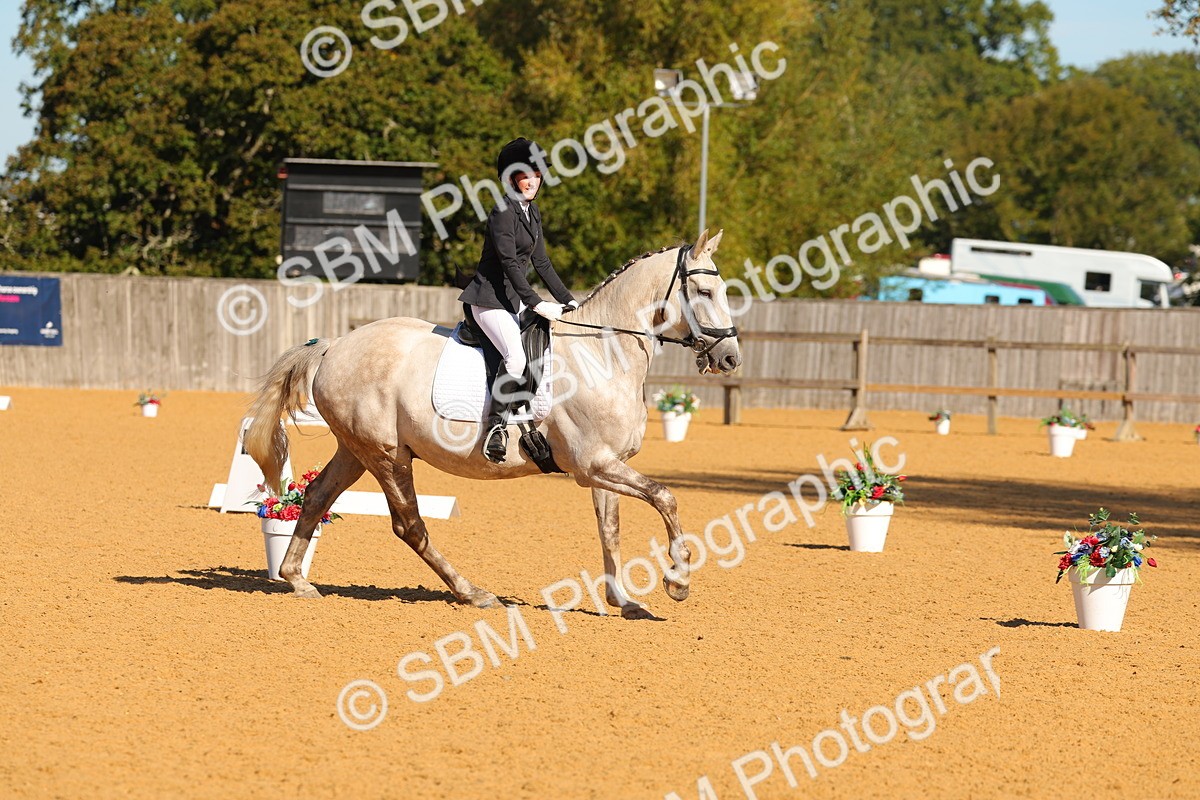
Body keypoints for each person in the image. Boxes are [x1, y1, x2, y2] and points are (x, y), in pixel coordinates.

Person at [458, 137, 578, 463]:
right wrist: (536, 302)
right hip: (488, 299)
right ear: (511, 178)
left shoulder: (532, 211)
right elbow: (510, 263)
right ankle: (495, 430)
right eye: (526, 175)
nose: (533, 181)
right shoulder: (502, 211)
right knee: (515, 359)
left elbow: (542, 263)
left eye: (537, 175)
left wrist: (570, 301)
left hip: (514, 299)